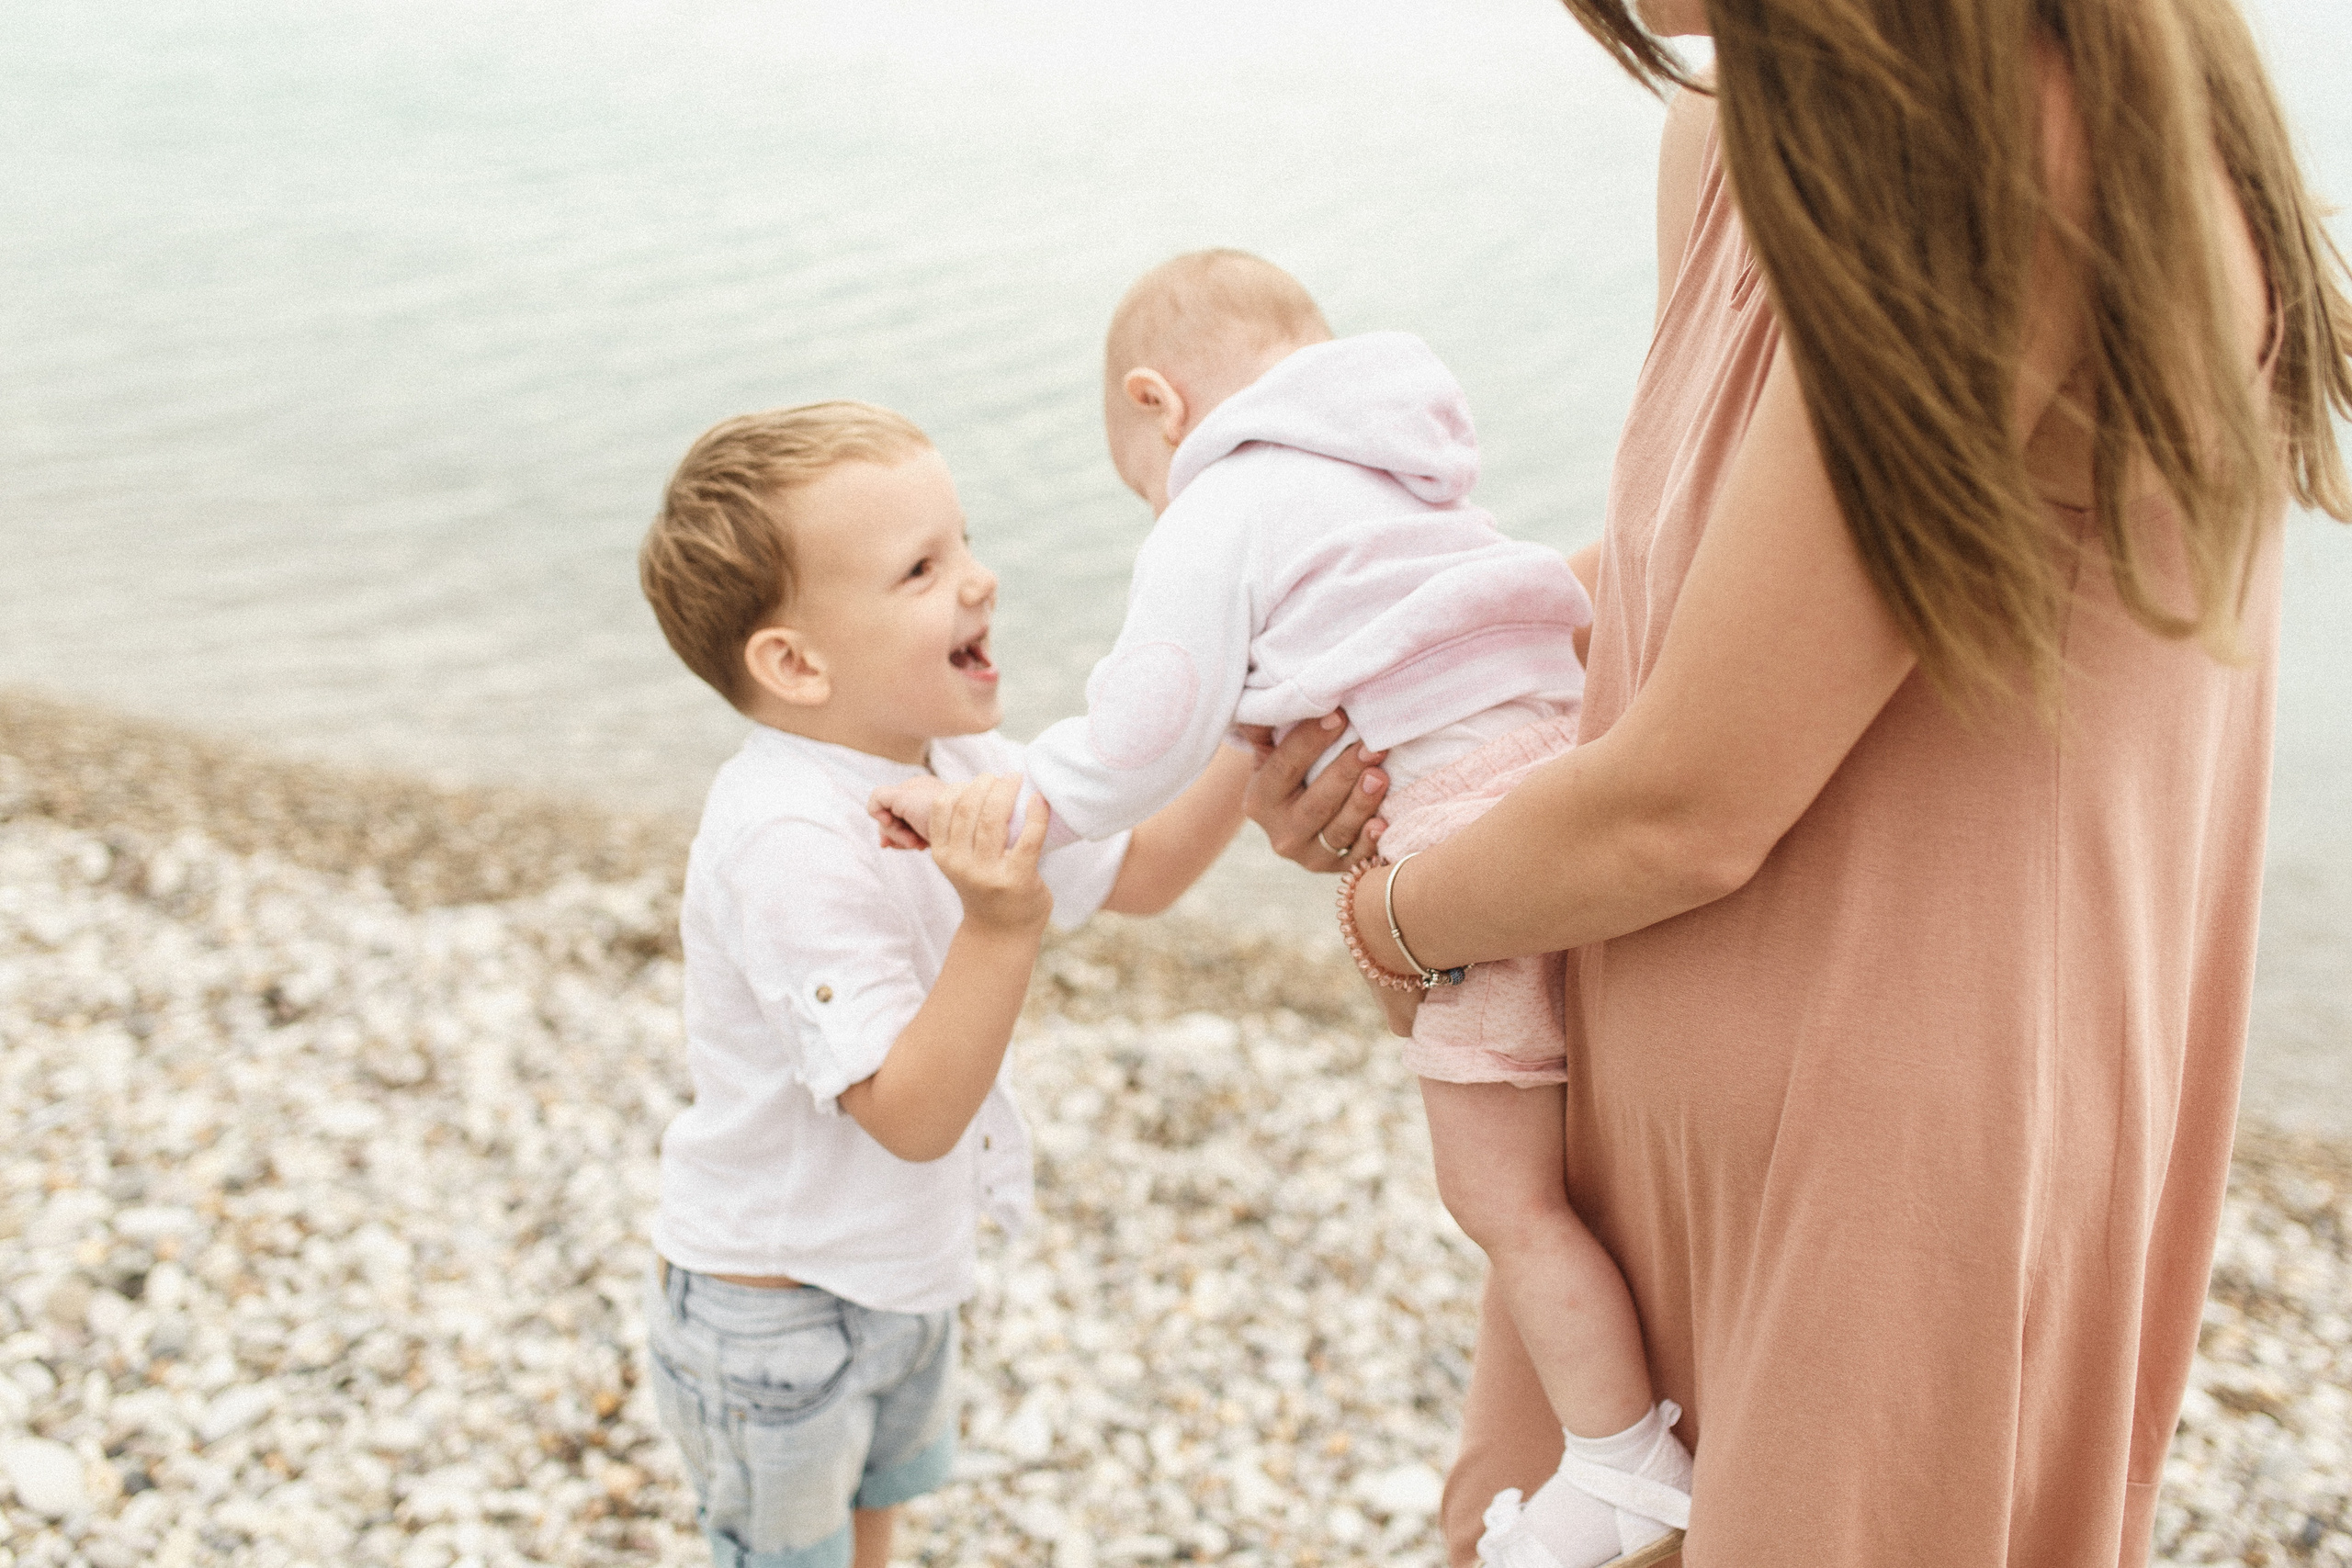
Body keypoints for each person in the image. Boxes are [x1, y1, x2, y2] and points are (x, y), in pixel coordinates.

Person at [1255, 0, 2352, 1562]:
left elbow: (1690, 805)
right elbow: (1687, 580)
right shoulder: (1739, 126)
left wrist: (1395, 918)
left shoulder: (2017, 159)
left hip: (1893, 1169)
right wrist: (1405, 724)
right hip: (1650, 1086)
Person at [872, 248, 1694, 1568]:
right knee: (1597, 1133)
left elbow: (1146, 726)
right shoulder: (1400, 467)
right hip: (1561, 772)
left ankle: (1622, 1461)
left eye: (1142, 481)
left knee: (1506, 1197)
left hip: (1462, 831)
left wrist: (1013, 807)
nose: (1159, 504)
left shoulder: (1223, 498)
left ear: (1157, 405)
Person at [634, 400, 1250, 1568]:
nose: (980, 578)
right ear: (796, 663)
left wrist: (1250, 734)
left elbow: (1144, 870)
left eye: (964, 541)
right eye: (922, 568)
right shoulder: (784, 836)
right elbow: (909, 1115)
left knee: (877, 1520)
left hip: (902, 1276)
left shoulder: (958, 757)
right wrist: (1000, 927)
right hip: (771, 1313)